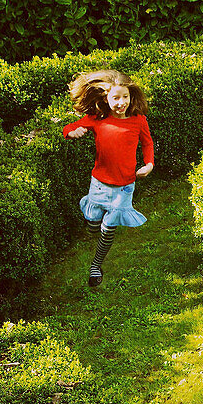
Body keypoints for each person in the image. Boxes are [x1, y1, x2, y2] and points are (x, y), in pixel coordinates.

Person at [63, 69, 154, 287]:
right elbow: (70, 127)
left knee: (108, 227)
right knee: (93, 223)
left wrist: (149, 164)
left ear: (131, 96)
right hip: (99, 184)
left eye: (125, 97)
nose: (121, 102)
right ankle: (94, 225)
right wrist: (71, 132)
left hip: (124, 187)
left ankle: (96, 265)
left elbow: (148, 143)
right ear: (106, 98)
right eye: (116, 98)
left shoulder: (138, 120)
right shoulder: (97, 119)